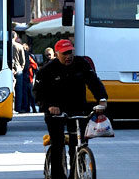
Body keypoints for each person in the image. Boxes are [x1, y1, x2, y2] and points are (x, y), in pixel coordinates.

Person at [34, 39, 108, 179]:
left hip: (77, 108)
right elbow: (38, 93)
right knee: (58, 144)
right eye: (64, 53)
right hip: (55, 111)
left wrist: (102, 99)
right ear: (56, 54)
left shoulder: (81, 64)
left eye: (70, 52)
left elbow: (94, 81)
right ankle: (58, 175)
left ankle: (78, 171)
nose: (68, 56)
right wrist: (49, 107)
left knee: (79, 143)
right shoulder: (47, 70)